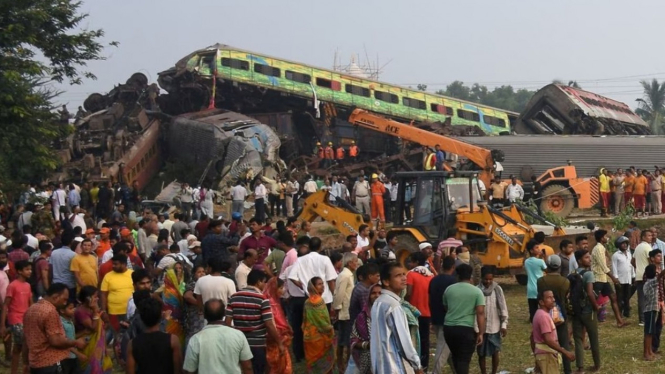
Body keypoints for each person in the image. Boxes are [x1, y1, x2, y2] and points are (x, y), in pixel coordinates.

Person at [226, 269, 283, 374]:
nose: (265, 285)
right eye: (264, 282)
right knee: (258, 370)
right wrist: (279, 343)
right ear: (258, 282)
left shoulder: (233, 297)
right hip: (258, 345)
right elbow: (269, 325)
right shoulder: (262, 299)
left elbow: (227, 322)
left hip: (239, 343)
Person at [370, 263, 423, 374]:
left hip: (379, 364)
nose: (404, 278)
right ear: (386, 281)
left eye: (404, 274)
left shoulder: (379, 302)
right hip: (392, 366)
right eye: (398, 275)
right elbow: (404, 342)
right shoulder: (393, 306)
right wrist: (417, 366)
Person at [23, 283, 86, 373]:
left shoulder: (30, 310)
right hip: (51, 364)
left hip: (35, 364)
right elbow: (55, 340)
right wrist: (75, 342)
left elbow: (26, 339)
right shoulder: (50, 311)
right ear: (55, 297)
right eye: (64, 299)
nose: (65, 303)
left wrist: (26, 362)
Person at [184, 299, 254, 373]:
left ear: (204, 315)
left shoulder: (196, 339)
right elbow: (247, 367)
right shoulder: (238, 335)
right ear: (224, 313)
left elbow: (190, 369)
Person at [442, 263, 485, 374]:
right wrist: (481, 333)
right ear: (470, 276)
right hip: (465, 329)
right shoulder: (477, 292)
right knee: (464, 360)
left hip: (449, 328)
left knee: (455, 356)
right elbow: (480, 313)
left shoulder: (449, 290)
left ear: (457, 275)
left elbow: (446, 307)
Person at [127, 298, 182, 374]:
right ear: (160, 316)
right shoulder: (173, 340)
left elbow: (130, 371)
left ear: (141, 318)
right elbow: (178, 370)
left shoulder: (132, 344)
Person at [537, 255, 572, 374]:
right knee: (564, 342)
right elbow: (566, 297)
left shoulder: (541, 281)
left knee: (547, 341)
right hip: (561, 315)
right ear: (559, 266)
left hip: (546, 314)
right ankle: (568, 370)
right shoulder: (565, 282)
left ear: (547, 265)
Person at [531, 290, 575, 374]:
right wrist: (565, 352)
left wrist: (536, 354)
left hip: (542, 355)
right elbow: (548, 340)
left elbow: (532, 336)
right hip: (546, 356)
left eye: (553, 297)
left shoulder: (540, 313)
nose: (553, 300)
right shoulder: (543, 316)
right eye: (549, 298)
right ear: (541, 302)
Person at [590, 229, 628, 328]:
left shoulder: (602, 248)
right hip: (597, 278)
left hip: (603, 278)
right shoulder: (598, 249)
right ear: (601, 238)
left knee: (613, 297)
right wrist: (613, 278)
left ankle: (620, 321)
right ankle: (587, 321)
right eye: (606, 236)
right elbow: (603, 266)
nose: (607, 238)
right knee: (592, 301)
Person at [0, 260, 32, 374]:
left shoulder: (28, 285)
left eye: (30, 269)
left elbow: (30, 303)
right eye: (27, 269)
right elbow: (5, 306)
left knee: (18, 347)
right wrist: (3, 325)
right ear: (19, 271)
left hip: (26, 318)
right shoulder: (13, 286)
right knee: (24, 345)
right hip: (16, 318)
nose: (30, 271)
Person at [571, 250, 600, 372]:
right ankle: (597, 364)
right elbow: (589, 293)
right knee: (593, 338)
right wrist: (596, 306)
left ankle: (580, 367)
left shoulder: (573, 273)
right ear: (579, 260)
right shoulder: (589, 274)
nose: (589, 259)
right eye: (586, 257)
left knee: (578, 339)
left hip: (576, 310)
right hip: (588, 310)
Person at [74, 285, 113, 374]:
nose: (97, 299)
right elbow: (93, 328)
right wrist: (95, 310)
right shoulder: (80, 311)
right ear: (88, 298)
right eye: (95, 296)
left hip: (97, 345)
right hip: (87, 345)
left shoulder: (91, 309)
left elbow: (105, 321)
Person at [477, 266, 508, 374]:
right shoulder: (477, 290)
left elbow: (503, 307)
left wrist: (504, 325)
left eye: (490, 279)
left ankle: (494, 372)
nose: (488, 281)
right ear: (481, 278)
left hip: (495, 326)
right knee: (481, 353)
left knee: (495, 351)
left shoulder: (497, 289)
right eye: (486, 279)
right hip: (481, 328)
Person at [429, 256, 457, 373]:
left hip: (436, 317)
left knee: (447, 349)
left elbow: (430, 299)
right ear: (453, 267)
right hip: (447, 319)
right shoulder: (453, 282)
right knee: (442, 349)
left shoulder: (434, 280)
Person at [405, 251, 433, 369]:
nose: (409, 264)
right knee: (425, 339)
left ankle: (413, 364)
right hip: (426, 312)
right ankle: (424, 364)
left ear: (416, 262)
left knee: (412, 339)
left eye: (411, 261)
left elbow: (409, 293)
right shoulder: (430, 275)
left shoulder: (410, 274)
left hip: (413, 312)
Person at [303, 277, 336, 374]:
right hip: (320, 338)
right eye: (319, 284)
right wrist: (330, 329)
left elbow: (304, 320)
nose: (322, 286)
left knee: (313, 362)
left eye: (322, 283)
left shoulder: (307, 302)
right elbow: (323, 322)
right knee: (324, 362)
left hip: (309, 336)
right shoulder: (319, 301)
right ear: (313, 286)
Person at [332, 252, 358, 371]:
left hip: (348, 311)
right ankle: (341, 365)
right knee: (343, 339)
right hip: (344, 312)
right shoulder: (345, 276)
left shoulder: (349, 275)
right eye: (355, 262)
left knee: (346, 339)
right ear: (349, 263)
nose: (357, 264)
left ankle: (345, 363)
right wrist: (337, 309)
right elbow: (339, 294)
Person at [262, 277, 293, 374]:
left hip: (277, 340)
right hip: (276, 339)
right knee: (277, 366)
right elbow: (272, 324)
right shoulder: (271, 304)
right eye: (280, 288)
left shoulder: (275, 301)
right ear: (274, 289)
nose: (283, 290)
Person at [100, 254, 134, 335]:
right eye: (113, 264)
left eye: (116, 264)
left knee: (130, 333)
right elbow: (103, 294)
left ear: (124, 264)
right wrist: (104, 311)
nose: (113, 266)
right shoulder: (108, 276)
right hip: (114, 311)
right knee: (116, 334)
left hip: (130, 311)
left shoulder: (133, 274)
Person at [643, 264, 664, 361]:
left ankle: (650, 351)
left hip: (651, 310)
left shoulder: (648, 282)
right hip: (650, 310)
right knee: (648, 333)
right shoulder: (652, 282)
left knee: (650, 332)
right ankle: (646, 353)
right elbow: (661, 275)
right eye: (656, 271)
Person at [163, 264, 186, 345]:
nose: (179, 272)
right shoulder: (170, 291)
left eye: (181, 268)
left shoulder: (181, 286)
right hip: (174, 319)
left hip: (173, 320)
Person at [611, 236, 635, 319]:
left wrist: (633, 275)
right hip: (620, 279)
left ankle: (626, 311)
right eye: (622, 244)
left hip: (628, 278)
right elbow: (614, 267)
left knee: (627, 296)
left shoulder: (629, 253)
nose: (624, 245)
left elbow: (631, 265)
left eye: (626, 243)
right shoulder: (616, 255)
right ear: (619, 245)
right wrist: (616, 278)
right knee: (620, 296)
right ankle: (619, 312)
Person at [524, 239, 547, 322]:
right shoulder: (540, 261)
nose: (539, 249)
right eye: (536, 248)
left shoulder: (526, 262)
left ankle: (532, 319)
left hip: (530, 287)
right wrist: (544, 258)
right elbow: (547, 270)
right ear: (531, 250)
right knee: (542, 305)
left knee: (532, 307)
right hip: (539, 286)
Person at [635, 229, 654, 325]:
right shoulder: (647, 247)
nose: (651, 237)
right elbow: (651, 261)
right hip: (646, 276)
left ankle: (642, 319)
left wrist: (638, 267)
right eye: (649, 235)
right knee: (649, 297)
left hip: (639, 275)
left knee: (641, 297)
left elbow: (632, 261)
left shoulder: (638, 247)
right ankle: (646, 318)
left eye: (651, 235)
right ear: (643, 237)